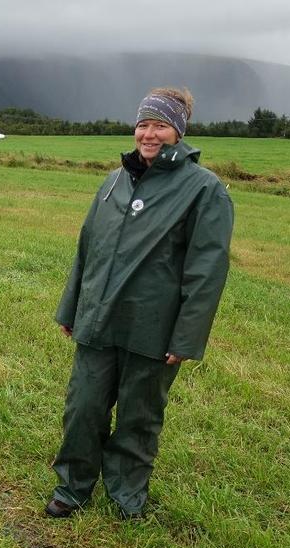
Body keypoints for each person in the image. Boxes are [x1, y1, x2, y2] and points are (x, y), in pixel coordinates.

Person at [46, 87, 234, 520]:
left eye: (161, 125)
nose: (149, 134)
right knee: (83, 408)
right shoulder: (113, 181)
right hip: (98, 321)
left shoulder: (204, 190)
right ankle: (73, 487)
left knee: (139, 417)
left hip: (153, 328)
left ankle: (127, 495)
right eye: (143, 124)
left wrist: (186, 337)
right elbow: (87, 248)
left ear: (179, 131)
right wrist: (72, 308)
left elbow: (206, 273)